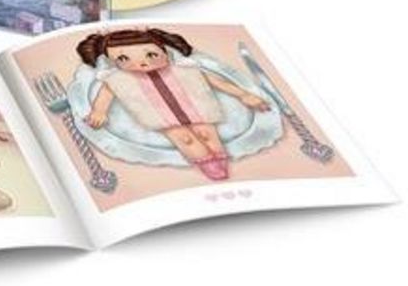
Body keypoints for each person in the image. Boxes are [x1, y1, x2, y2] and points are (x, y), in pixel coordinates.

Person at [72, 27, 277, 181]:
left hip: (198, 109)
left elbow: (217, 82)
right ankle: (206, 163)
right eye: (123, 58)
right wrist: (99, 111)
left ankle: (219, 158)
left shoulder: (184, 69)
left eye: (151, 55)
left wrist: (244, 95)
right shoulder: (118, 79)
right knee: (184, 138)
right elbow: (106, 94)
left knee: (207, 134)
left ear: (164, 51)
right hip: (160, 115)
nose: (141, 63)